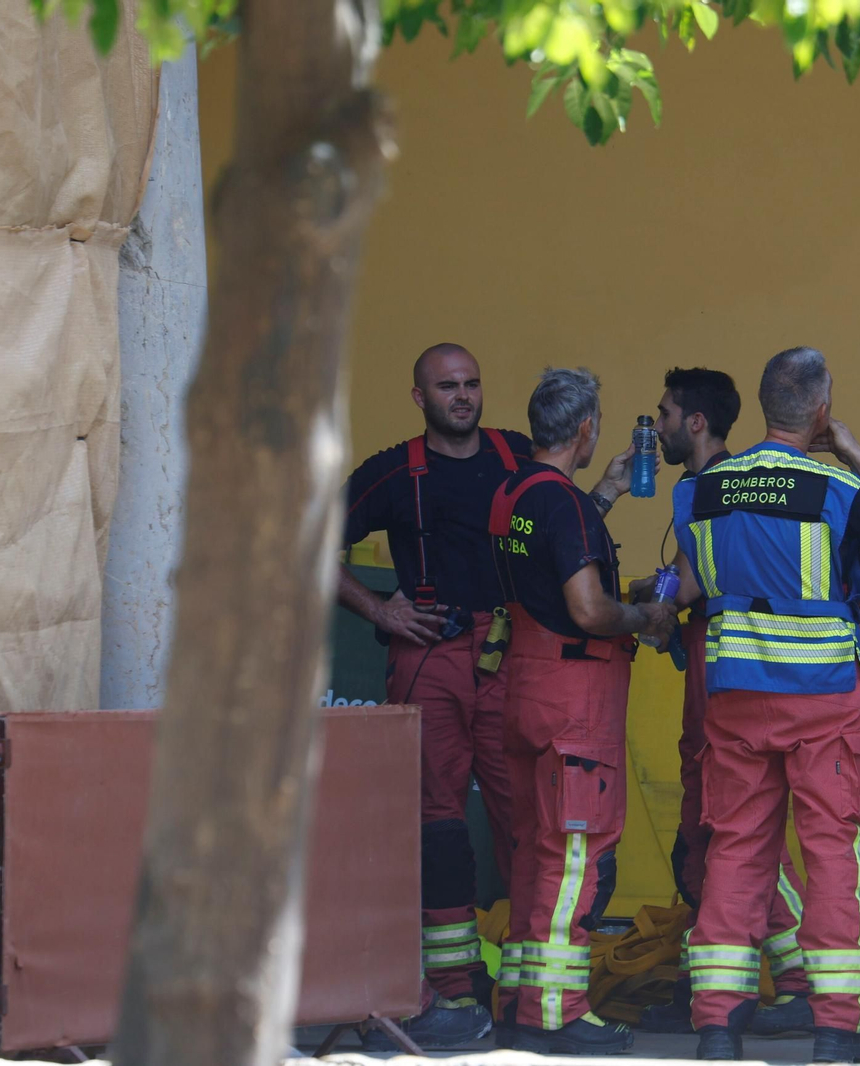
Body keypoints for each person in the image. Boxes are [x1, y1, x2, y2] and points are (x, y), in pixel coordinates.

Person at [338, 344, 644, 1049]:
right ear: (419, 396)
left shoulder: (516, 461)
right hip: (432, 655)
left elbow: (553, 544)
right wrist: (379, 610)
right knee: (440, 820)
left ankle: (526, 987)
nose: (463, 397)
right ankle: (453, 987)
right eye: (448, 387)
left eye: (473, 384)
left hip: (515, 655)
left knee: (534, 815)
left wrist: (607, 495)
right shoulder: (392, 471)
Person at [670, 347, 860, 1063]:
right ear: (820, 410)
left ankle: (716, 1025)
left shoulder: (705, 486)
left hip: (735, 698)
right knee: (834, 852)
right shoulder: (835, 487)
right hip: (821, 703)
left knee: (736, 850)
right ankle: (837, 1027)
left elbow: (688, 582)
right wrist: (853, 451)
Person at [488, 367, 677, 1055]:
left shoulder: (512, 492)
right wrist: (646, 616)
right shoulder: (563, 505)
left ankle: (517, 999)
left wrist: (606, 493)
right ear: (587, 428)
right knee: (575, 857)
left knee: (533, 852)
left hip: (524, 684)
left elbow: (548, 556)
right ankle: (557, 1014)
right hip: (576, 696)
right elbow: (590, 609)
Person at [627, 368, 813, 1038]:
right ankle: (706, 982)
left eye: (666, 413)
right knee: (706, 828)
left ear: (696, 423)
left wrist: (633, 608)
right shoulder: (702, 486)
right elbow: (684, 571)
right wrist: (659, 589)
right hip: (716, 662)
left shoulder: (720, 486)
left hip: (726, 664)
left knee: (733, 825)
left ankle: (800, 982)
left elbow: (696, 578)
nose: (659, 426)